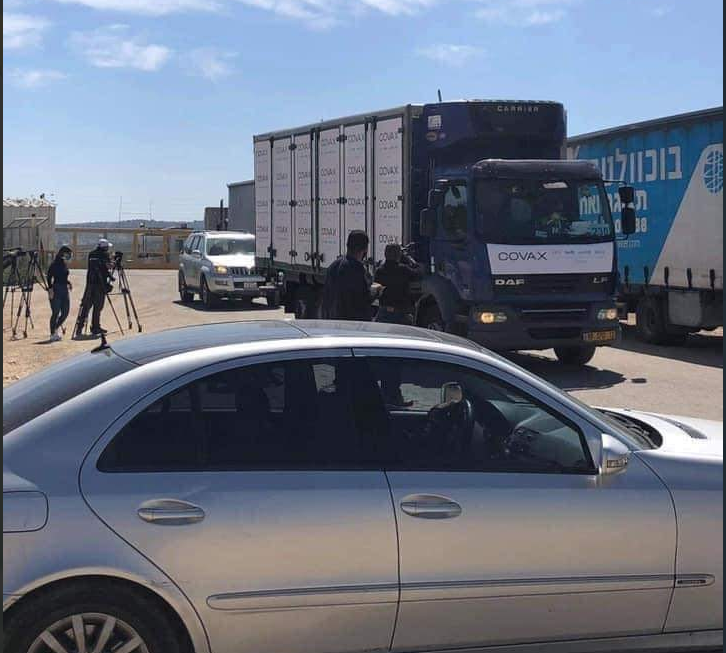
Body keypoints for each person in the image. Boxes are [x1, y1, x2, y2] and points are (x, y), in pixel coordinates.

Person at [321, 230, 372, 321]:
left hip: (333, 320)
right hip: (351, 323)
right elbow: (363, 299)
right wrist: (375, 292)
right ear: (365, 249)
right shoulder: (357, 269)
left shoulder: (334, 265)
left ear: (347, 245)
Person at [373, 243, 422, 325]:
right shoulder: (403, 269)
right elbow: (418, 273)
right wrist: (409, 259)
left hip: (383, 311)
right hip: (400, 312)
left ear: (385, 254)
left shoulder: (379, 271)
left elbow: (375, 291)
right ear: (399, 255)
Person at [76, 238, 113, 336]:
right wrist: (113, 263)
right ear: (104, 247)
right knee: (98, 307)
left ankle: (79, 328)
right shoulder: (105, 255)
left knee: (86, 306)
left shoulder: (91, 254)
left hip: (90, 283)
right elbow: (109, 266)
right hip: (100, 285)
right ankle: (95, 327)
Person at [47, 245, 73, 341]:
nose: (69, 256)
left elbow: (63, 277)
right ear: (63, 254)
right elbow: (49, 277)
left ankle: (56, 328)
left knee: (65, 312)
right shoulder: (54, 264)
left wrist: (68, 282)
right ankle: (52, 333)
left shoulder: (64, 264)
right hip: (56, 289)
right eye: (68, 254)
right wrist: (50, 288)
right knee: (55, 312)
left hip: (64, 290)